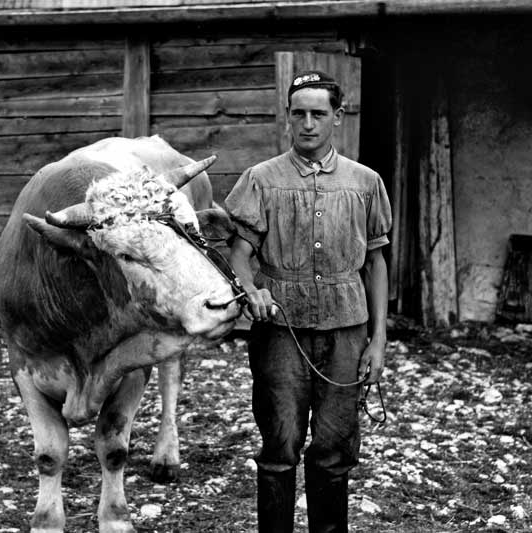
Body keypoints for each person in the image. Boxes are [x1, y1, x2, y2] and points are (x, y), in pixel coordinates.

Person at [224, 70, 391, 533]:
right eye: (299, 114)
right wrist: (252, 290)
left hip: (346, 332)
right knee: (279, 449)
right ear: (288, 119)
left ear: (338, 117)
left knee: (334, 452)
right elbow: (238, 252)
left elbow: (376, 263)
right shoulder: (260, 179)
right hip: (280, 333)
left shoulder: (365, 182)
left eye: (319, 114)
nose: (309, 124)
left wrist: (378, 341)